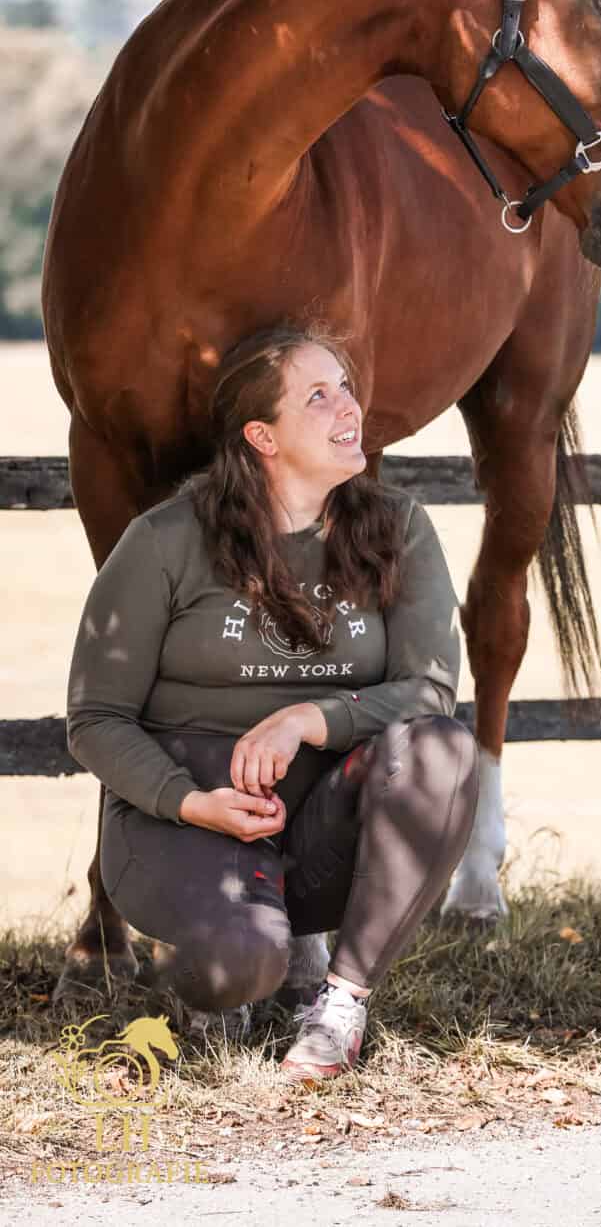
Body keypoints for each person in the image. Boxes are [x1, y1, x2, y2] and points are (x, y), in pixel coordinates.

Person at [65, 321, 480, 1082]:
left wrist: (309, 719)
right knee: (237, 967)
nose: (348, 408)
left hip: (322, 818)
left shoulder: (400, 530)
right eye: (318, 397)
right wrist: (190, 802)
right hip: (185, 815)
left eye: (346, 387)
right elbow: (95, 719)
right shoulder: (164, 540)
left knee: (442, 748)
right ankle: (228, 951)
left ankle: (340, 1003)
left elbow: (431, 691)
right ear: (262, 435)